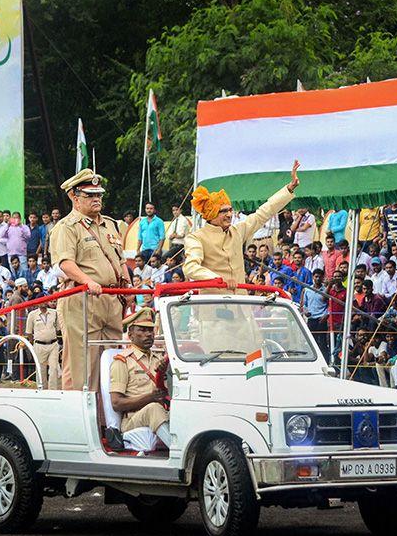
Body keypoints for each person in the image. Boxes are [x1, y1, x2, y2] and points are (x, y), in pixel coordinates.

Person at [51, 169, 129, 391]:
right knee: (82, 364)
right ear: (74, 198)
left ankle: (108, 419)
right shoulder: (66, 227)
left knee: (113, 359)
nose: (97, 199)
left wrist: (129, 287)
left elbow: (121, 261)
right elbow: (65, 263)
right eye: (90, 195)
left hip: (112, 298)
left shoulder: (111, 224)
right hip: (82, 298)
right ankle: (79, 416)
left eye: (99, 195)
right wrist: (87, 281)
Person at [184, 160, 300, 290]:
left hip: (240, 302)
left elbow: (263, 213)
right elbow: (191, 267)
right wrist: (218, 279)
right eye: (223, 211)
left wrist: (289, 189)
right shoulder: (196, 238)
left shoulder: (237, 231)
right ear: (211, 214)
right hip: (213, 303)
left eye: (230, 210)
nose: (229, 214)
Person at [109, 308, 171, 448]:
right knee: (153, 408)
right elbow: (116, 403)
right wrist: (150, 398)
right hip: (133, 419)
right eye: (142, 330)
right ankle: (178, 453)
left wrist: (168, 374)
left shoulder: (160, 359)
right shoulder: (122, 361)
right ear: (130, 334)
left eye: (150, 330)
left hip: (163, 411)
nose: (148, 334)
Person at [25, 299, 60, 390]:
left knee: (54, 369)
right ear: (37, 302)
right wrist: (33, 342)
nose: (43, 303)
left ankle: (53, 391)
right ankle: (42, 390)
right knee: (41, 369)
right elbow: (29, 332)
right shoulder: (32, 314)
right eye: (41, 301)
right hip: (39, 345)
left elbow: (58, 328)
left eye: (45, 300)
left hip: (53, 344)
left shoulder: (54, 313)